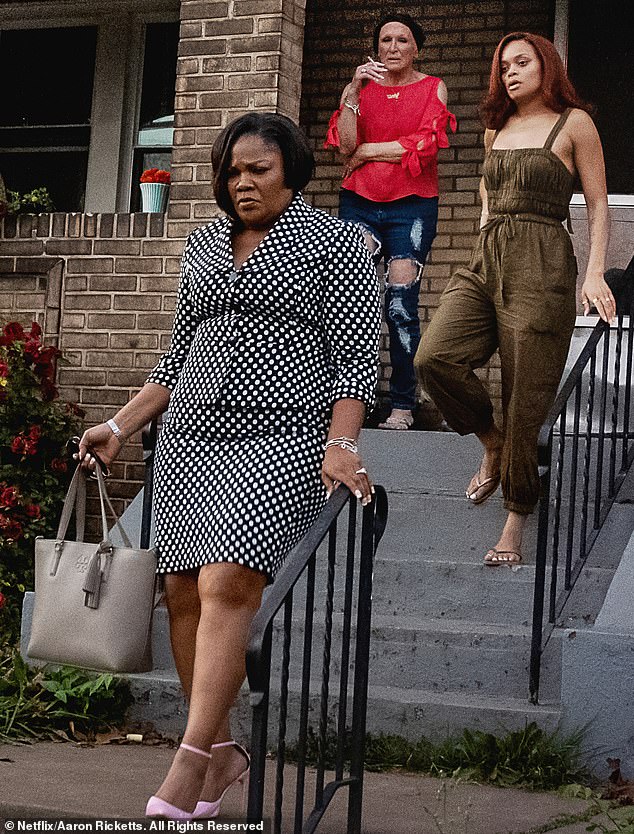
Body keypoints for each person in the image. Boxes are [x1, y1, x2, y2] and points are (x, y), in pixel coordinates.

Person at [76, 112, 380, 819]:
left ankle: (186, 764)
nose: (243, 182)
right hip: (190, 437)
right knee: (182, 591)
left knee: (229, 578)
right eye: (232, 171)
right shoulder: (205, 243)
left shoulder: (336, 243)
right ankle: (223, 756)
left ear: (291, 170)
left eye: (259, 170)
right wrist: (121, 424)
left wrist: (345, 443)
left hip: (279, 436)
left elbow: (358, 360)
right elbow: (177, 358)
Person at [415, 32, 613, 565]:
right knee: (434, 356)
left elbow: (597, 205)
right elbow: (485, 201)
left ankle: (516, 516)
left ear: (547, 66)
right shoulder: (494, 128)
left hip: (544, 260)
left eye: (521, 62)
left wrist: (594, 275)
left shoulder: (575, 124)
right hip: (488, 257)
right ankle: (490, 439)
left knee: (525, 393)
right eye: (503, 65)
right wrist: (481, 249)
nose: (510, 72)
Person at [324, 12, 455, 431]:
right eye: (385, 41)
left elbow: (425, 145)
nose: (393, 47)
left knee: (400, 305)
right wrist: (351, 90)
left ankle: (403, 404)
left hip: (412, 206)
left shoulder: (433, 87)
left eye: (402, 40)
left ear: (416, 47)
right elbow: (346, 144)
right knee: (354, 307)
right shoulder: (359, 90)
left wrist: (366, 152)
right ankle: (351, 408)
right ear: (375, 48)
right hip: (358, 203)